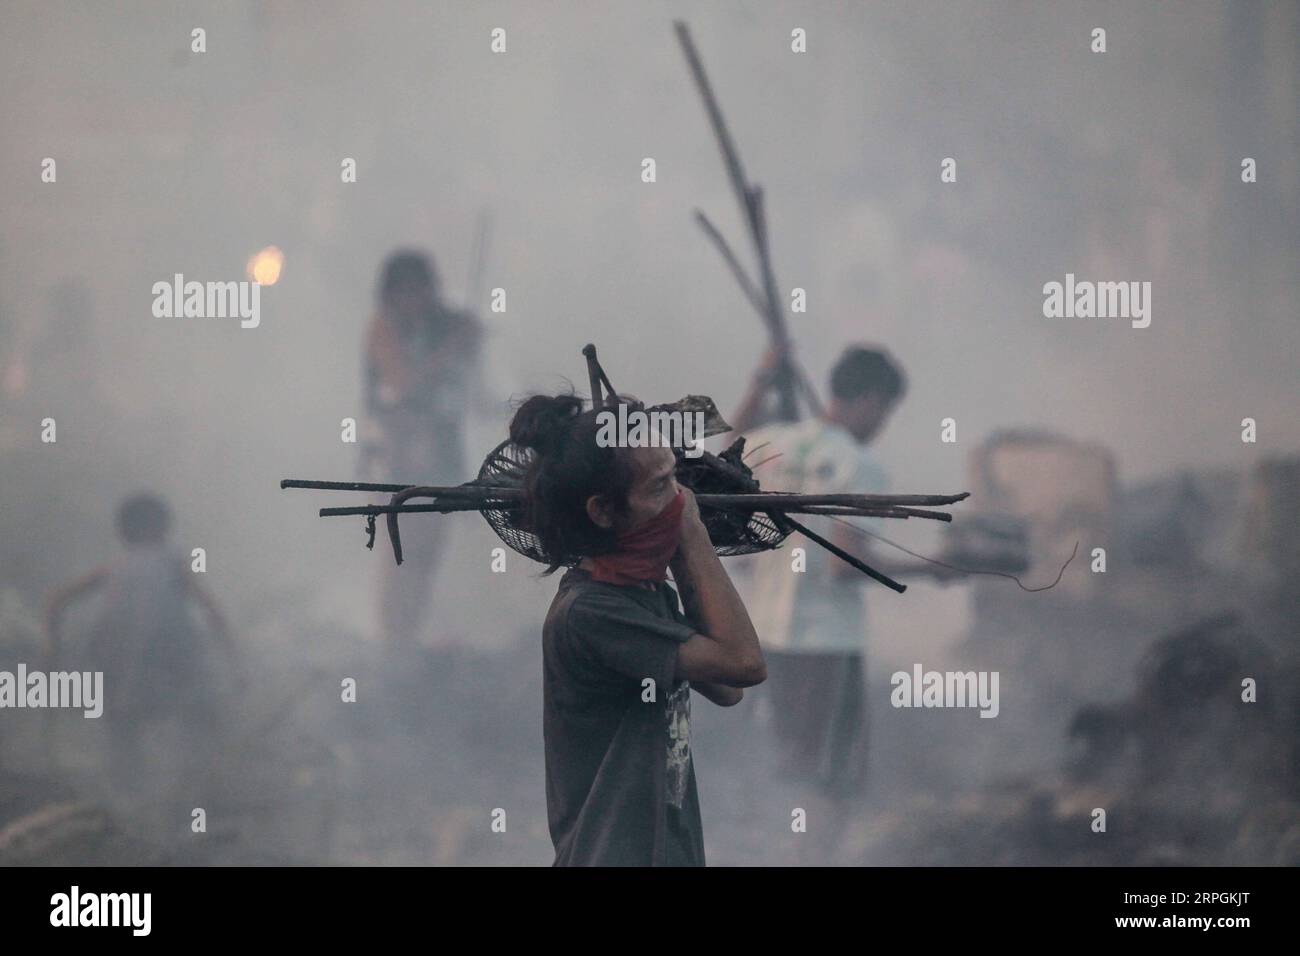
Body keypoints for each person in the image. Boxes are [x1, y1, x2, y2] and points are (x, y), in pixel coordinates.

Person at [510, 393, 766, 866]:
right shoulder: (591, 613)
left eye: (676, 481)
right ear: (603, 512)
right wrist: (691, 534)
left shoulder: (643, 595)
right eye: (659, 488)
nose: (679, 500)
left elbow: (729, 689)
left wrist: (679, 559)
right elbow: (745, 663)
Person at [731, 344, 906, 862]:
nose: (882, 425)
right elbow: (846, 566)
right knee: (832, 779)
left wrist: (759, 383)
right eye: (885, 412)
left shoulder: (771, 446)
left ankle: (774, 854)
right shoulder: (861, 465)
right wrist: (936, 569)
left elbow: (721, 452)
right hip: (828, 645)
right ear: (871, 400)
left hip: (764, 638)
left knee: (786, 767)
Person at [45, 492, 240, 800]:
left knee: (125, 733)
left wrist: (52, 653)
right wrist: (234, 660)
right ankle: (198, 792)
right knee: (201, 722)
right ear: (163, 528)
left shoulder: (113, 568)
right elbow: (212, 611)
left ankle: (130, 803)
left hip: (120, 666)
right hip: (171, 665)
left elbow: (57, 601)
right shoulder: (173, 563)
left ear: (123, 532)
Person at [363, 250, 482, 663]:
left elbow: (473, 391)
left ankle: (406, 643)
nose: (417, 299)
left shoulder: (443, 326)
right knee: (403, 554)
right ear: (392, 295)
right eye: (407, 292)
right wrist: (452, 348)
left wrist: (469, 343)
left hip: (439, 456)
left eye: (422, 289)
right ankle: (394, 645)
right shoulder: (384, 329)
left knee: (428, 555)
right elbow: (402, 385)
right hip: (397, 457)